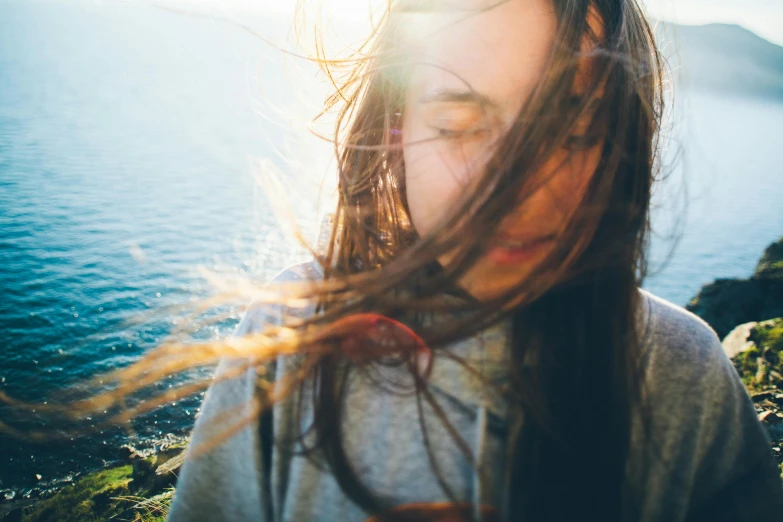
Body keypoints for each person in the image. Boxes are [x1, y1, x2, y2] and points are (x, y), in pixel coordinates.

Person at [167, 1, 783, 521]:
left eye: (572, 132)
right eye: (460, 124)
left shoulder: (681, 375)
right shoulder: (299, 334)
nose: (516, 191)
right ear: (396, 129)